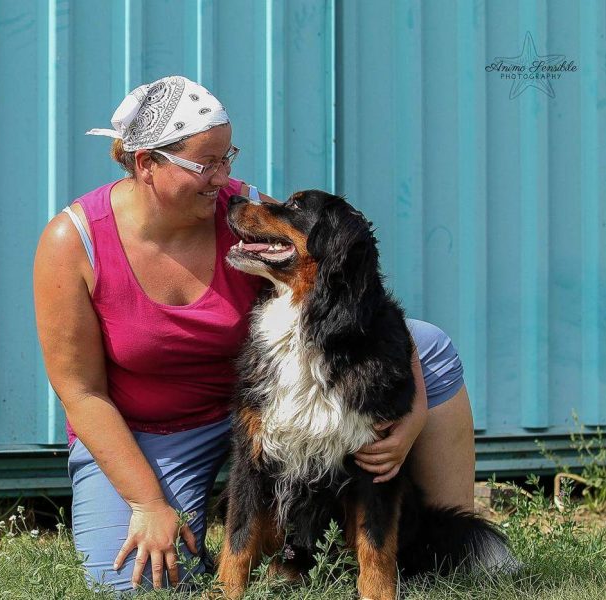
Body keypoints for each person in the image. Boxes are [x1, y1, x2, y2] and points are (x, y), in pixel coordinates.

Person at [33, 75, 475, 593]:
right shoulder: (72, 243)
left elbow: (358, 299)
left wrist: (413, 411)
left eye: (228, 158)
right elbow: (80, 392)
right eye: (206, 164)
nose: (224, 178)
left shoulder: (243, 212)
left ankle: (446, 547)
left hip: (267, 402)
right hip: (152, 431)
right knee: (135, 583)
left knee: (430, 343)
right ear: (147, 164)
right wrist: (147, 504)